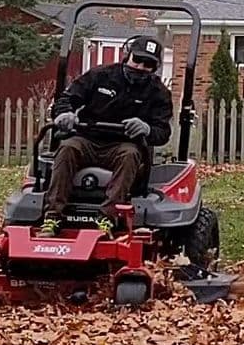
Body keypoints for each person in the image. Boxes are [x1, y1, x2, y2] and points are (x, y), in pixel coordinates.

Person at [37, 35, 173, 237]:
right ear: (127, 56)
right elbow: (67, 99)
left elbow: (162, 132)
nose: (140, 67)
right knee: (67, 148)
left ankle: (107, 219)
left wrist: (146, 129)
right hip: (88, 139)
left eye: (148, 64)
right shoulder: (100, 75)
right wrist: (65, 113)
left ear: (155, 68)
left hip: (124, 145)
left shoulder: (158, 92)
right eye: (137, 60)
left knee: (129, 155)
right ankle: (52, 217)